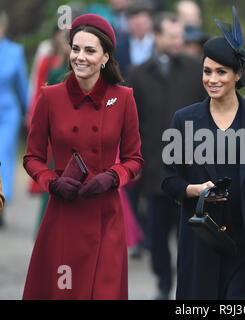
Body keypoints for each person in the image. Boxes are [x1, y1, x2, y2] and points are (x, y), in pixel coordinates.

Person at [162, 7, 245, 300]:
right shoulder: (183, 120)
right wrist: (195, 189)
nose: (212, 79)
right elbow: (169, 181)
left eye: (221, 72)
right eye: (207, 71)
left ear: (237, 75)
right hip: (202, 236)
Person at [22, 14, 144, 299]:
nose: (80, 57)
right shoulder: (50, 97)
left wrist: (112, 177)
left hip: (106, 215)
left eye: (90, 50)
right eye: (76, 49)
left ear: (104, 57)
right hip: (64, 214)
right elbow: (32, 157)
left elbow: (134, 159)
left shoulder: (123, 98)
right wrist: (52, 182)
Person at [127, 11, 207, 299]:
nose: (177, 42)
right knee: (157, 235)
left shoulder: (197, 69)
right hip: (154, 171)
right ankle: (163, 284)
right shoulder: (137, 74)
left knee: (191, 234)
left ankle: (188, 287)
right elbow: (130, 123)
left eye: (179, 37)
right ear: (157, 36)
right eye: (171, 36)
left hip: (192, 172)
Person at [0, 10, 29, 228]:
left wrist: (30, 111)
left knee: (2, 154)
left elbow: (22, 84)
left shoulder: (14, 52)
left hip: (6, 112)